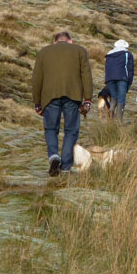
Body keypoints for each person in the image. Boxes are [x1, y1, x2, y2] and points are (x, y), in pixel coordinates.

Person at [31, 31, 93, 177]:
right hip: (73, 95)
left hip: (49, 96)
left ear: (55, 42)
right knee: (71, 131)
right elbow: (86, 75)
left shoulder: (43, 52)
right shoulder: (80, 51)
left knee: (51, 129)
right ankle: (65, 166)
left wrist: (37, 102)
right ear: (70, 41)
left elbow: (37, 79)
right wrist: (88, 99)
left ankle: (53, 156)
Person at [104, 39, 135, 122]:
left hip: (109, 79)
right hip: (122, 78)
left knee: (114, 97)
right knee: (121, 99)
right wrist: (130, 81)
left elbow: (106, 68)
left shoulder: (109, 54)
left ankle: (110, 114)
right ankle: (119, 121)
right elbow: (130, 69)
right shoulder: (128, 54)